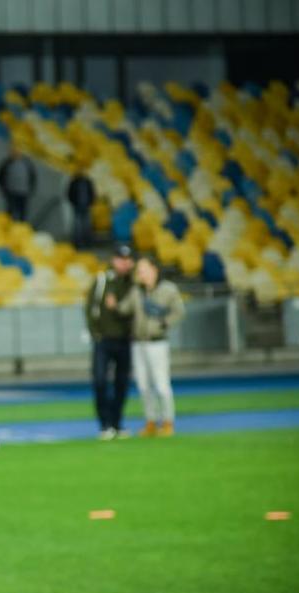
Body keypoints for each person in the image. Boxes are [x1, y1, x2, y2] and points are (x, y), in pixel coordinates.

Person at [118, 257, 185, 437]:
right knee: (143, 385)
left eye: (143, 269)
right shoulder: (137, 290)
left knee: (161, 384)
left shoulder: (167, 289)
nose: (140, 273)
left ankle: (168, 421)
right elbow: (124, 309)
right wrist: (115, 302)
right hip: (138, 342)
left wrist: (164, 323)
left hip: (157, 342)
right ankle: (151, 421)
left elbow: (179, 311)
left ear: (154, 269)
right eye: (138, 270)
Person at [84, 245, 135, 440]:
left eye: (127, 259)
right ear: (114, 260)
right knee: (99, 381)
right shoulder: (102, 280)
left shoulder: (133, 282)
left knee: (122, 383)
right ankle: (105, 424)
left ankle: (116, 422)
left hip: (125, 339)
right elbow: (90, 308)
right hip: (104, 340)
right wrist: (95, 333)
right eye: (121, 259)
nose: (124, 263)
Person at [0, 145, 37, 222]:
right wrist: (4, 190)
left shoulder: (27, 163)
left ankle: (21, 227)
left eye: (17, 151)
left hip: (23, 192)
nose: (15, 153)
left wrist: (30, 190)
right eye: (13, 151)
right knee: (10, 213)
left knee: (22, 213)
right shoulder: (6, 163)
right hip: (11, 192)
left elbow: (32, 177)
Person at [66, 166, 96, 248]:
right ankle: (78, 243)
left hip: (86, 206)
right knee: (78, 226)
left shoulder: (87, 182)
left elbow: (92, 193)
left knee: (86, 225)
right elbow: (69, 193)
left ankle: (87, 242)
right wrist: (73, 202)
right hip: (77, 206)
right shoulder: (74, 182)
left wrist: (91, 201)